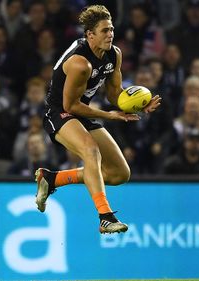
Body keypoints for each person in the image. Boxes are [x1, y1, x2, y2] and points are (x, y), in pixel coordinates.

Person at [34, 5, 161, 234]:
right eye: (104, 31)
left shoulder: (114, 54)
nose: (110, 34)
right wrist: (109, 116)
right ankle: (105, 216)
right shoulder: (80, 63)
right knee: (91, 152)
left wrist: (140, 104)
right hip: (59, 113)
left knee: (120, 173)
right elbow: (69, 106)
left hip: (82, 112)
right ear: (89, 35)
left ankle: (52, 179)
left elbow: (114, 94)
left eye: (111, 29)